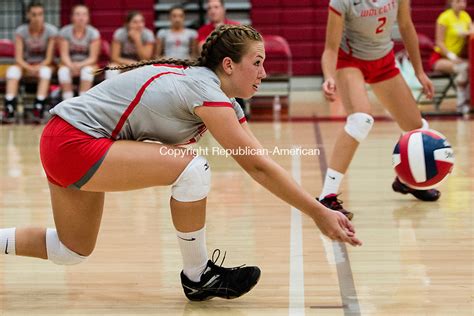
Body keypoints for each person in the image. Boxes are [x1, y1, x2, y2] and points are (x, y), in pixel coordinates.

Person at [0, 25, 361, 302]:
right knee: (192, 168)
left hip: (66, 139)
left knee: (70, 251)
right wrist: (318, 212)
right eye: (258, 62)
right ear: (229, 65)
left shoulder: (219, 99)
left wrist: (316, 210)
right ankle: (198, 275)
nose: (264, 73)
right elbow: (257, 168)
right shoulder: (203, 88)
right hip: (74, 141)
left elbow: (261, 161)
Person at [320, 0, 438, 220]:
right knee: (360, 121)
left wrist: (420, 72)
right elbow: (330, 48)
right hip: (350, 61)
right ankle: (327, 195)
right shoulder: (342, 2)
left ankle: (407, 180)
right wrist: (328, 76)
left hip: (383, 60)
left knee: (417, 129)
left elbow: (406, 26)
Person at [1, 0, 57, 123]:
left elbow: (49, 58)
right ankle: (10, 106)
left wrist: (37, 68)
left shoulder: (51, 31)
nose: (37, 18)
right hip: (25, 65)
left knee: (45, 72)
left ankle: (39, 106)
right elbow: (18, 58)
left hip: (43, 65)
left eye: (40, 14)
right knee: (12, 71)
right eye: (34, 14)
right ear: (28, 15)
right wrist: (29, 68)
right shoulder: (21, 31)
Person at [430, 0, 473, 114]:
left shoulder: (466, 16)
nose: (462, 4)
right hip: (440, 57)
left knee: (470, 67)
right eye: (458, 1)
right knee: (463, 68)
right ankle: (461, 104)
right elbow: (439, 42)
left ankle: (469, 102)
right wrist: (452, 57)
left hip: (458, 57)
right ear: (451, 3)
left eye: (464, 1)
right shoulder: (444, 17)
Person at [58, 4, 101, 101]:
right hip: (69, 63)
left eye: (84, 14)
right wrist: (71, 66)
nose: (81, 18)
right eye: (77, 14)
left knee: (87, 71)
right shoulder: (65, 31)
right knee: (63, 71)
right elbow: (64, 55)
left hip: (88, 63)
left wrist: (79, 66)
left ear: (88, 18)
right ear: (72, 17)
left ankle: (82, 101)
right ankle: (67, 101)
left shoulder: (93, 33)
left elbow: (93, 58)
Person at [106, 11, 154, 79]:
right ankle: (111, 89)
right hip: (123, 63)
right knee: (111, 69)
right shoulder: (120, 33)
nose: (139, 25)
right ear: (127, 24)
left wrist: (137, 40)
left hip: (141, 63)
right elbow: (114, 57)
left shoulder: (148, 34)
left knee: (146, 68)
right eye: (135, 22)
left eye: (141, 21)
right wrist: (131, 63)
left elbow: (146, 58)